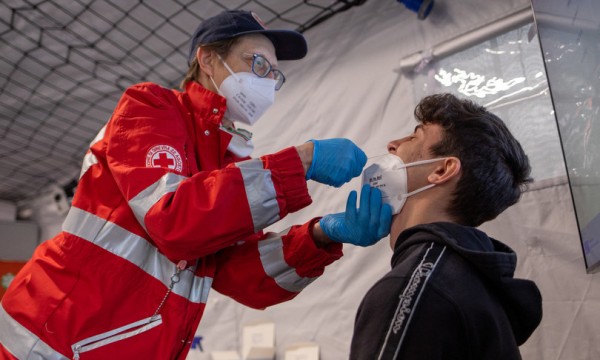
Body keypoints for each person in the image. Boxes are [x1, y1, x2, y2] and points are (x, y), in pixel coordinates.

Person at [0, 10, 391, 359]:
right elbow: (172, 220)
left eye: (275, 74)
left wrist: (323, 235)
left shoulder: (226, 163)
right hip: (50, 340)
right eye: (257, 64)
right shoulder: (150, 108)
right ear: (207, 58)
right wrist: (301, 161)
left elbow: (243, 277)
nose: (269, 82)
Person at [349, 93, 543, 359]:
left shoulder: (411, 289)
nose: (392, 144)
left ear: (442, 170)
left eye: (414, 137)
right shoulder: (470, 279)